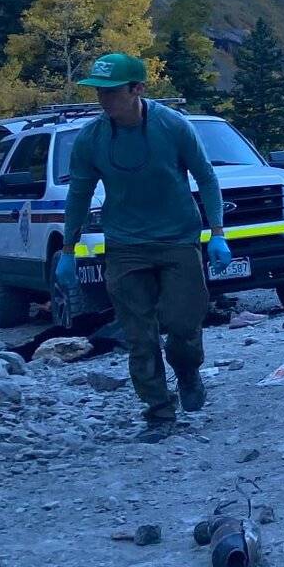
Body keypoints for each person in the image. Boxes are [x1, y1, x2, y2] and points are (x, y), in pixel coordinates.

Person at [54, 53, 233, 440]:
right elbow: (78, 195)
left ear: (137, 89)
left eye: (111, 91)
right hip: (125, 246)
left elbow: (206, 177)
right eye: (98, 92)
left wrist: (218, 233)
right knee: (139, 336)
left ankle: (188, 371)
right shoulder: (91, 139)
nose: (103, 99)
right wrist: (68, 251)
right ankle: (159, 413)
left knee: (184, 325)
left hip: (178, 239)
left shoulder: (173, 125)